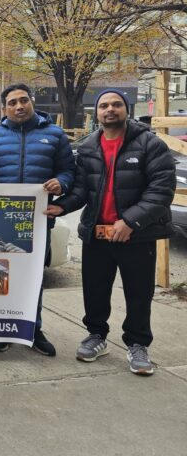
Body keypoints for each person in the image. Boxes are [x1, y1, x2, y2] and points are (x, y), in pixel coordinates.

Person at [46, 89, 175, 375]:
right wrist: (62, 207)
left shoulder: (150, 145)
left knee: (138, 294)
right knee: (95, 291)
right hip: (97, 235)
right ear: (97, 112)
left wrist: (130, 221)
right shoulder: (89, 147)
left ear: (126, 109)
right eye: (104, 105)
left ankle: (138, 344)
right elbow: (82, 189)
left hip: (136, 236)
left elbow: (161, 190)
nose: (110, 109)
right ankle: (96, 336)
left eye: (116, 104)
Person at [0, 83, 75, 357]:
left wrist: (61, 183)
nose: (19, 106)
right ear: (4, 108)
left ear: (32, 102)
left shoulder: (55, 135)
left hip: (37, 221)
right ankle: (2, 328)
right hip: (2, 220)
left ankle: (33, 329)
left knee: (34, 277)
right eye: (12, 103)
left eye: (24, 100)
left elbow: (68, 171)